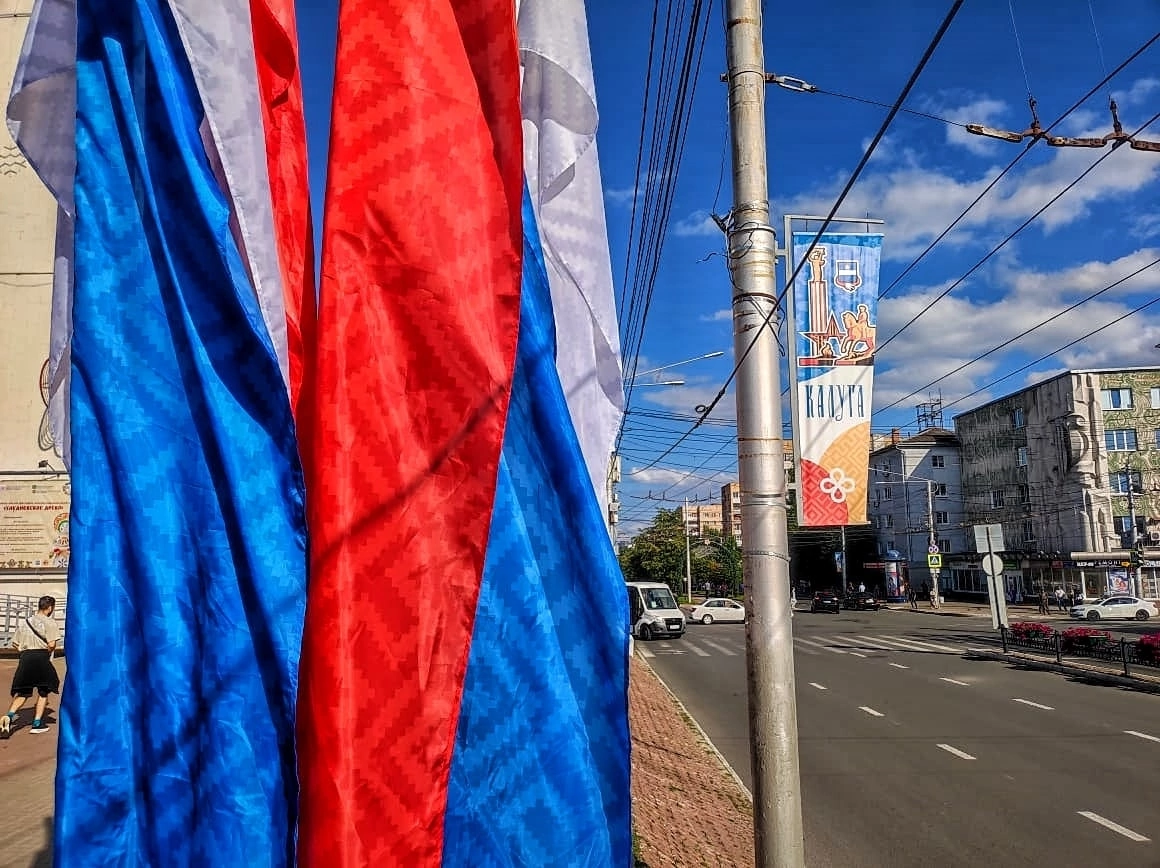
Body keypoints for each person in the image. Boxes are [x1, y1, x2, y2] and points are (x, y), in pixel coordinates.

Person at [2, 596, 61, 737]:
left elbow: (15, 644)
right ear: (50, 607)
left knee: (23, 692)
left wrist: (25, 650)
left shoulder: (25, 623)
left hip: (26, 657)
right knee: (44, 690)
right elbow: (52, 644)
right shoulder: (49, 622)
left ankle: (9, 717)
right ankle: (36, 723)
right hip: (41, 657)